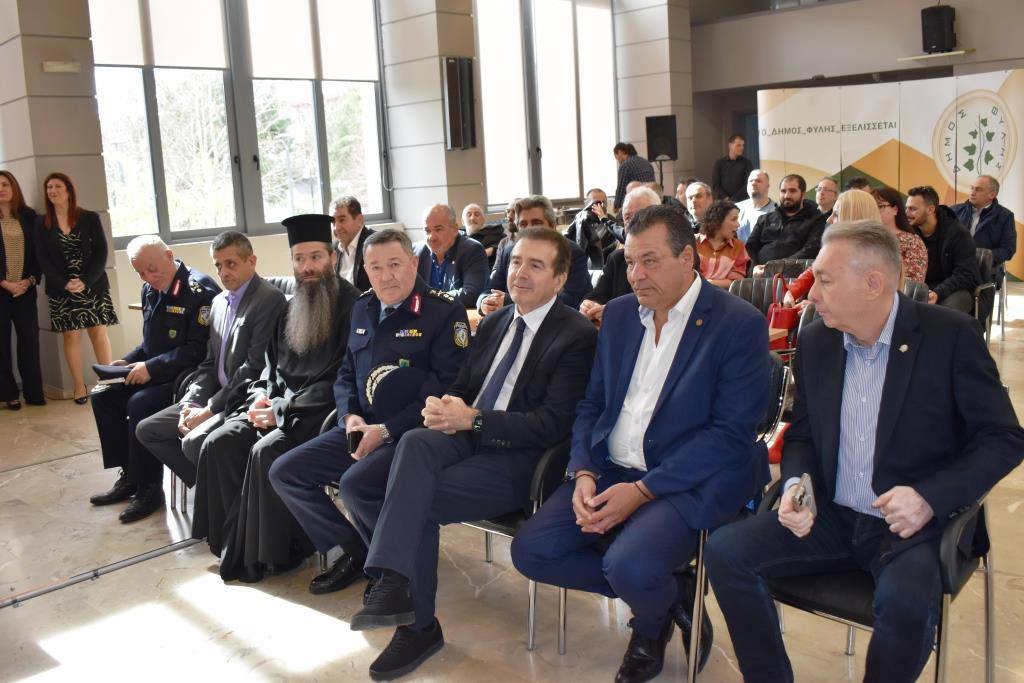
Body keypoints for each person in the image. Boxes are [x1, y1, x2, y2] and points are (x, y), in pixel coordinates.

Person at [704, 220, 1024, 683]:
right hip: (831, 513)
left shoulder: (950, 336)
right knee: (726, 551)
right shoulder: (817, 339)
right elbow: (803, 433)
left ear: (873, 284)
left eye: (825, 281)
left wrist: (928, 498)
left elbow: (1003, 438)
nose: (812, 294)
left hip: (911, 527)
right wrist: (795, 485)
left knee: (906, 603)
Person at [511, 204, 770, 683]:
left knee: (628, 564)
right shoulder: (620, 315)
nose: (635, 275)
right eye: (630, 262)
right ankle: (670, 596)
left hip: (686, 480)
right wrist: (583, 471)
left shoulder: (737, 323)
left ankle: (648, 626)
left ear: (688, 257)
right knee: (532, 552)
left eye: (650, 261)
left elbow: (730, 435)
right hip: (611, 466)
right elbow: (593, 404)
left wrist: (643, 491)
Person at [341, 227, 599, 680]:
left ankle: (417, 623)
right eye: (515, 261)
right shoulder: (496, 321)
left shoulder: (575, 334)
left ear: (560, 279)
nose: (520, 273)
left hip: (519, 458)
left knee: (414, 498)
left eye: (536, 265)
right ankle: (394, 579)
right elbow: (463, 385)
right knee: (379, 469)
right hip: (465, 435)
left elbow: (551, 425)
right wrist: (444, 406)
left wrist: (473, 420)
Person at [270, 228, 468, 596]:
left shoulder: (442, 312)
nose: (386, 276)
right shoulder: (363, 307)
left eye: (395, 264)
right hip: (361, 428)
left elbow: (444, 389)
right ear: (365, 270)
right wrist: (349, 416)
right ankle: (359, 551)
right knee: (286, 472)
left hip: (410, 434)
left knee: (355, 485)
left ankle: (395, 572)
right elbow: (346, 373)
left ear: (414, 263)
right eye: (375, 267)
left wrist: (386, 430)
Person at [190, 215, 360, 582]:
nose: (307, 267)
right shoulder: (289, 306)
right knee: (219, 442)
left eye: (315, 257)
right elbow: (268, 367)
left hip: (317, 413)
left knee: (265, 450)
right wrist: (260, 397)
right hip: (278, 406)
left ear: (332, 258)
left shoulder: (353, 307)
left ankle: (280, 552)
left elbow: (340, 379)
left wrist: (282, 410)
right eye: (299, 259)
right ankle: (236, 545)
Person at [135, 231, 286, 487]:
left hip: (243, 399)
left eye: (231, 264)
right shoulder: (218, 302)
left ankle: (221, 494)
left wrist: (209, 410)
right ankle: (214, 489)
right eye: (218, 265)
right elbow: (208, 363)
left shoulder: (268, 299)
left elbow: (253, 368)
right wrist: (190, 402)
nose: (223, 272)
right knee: (148, 430)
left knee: (194, 442)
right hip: (214, 394)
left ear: (252, 261)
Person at [89, 235, 219, 523]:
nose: (148, 277)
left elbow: (199, 350)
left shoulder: (199, 290)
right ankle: (130, 475)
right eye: (140, 272)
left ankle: (149, 488)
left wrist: (150, 367)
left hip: (187, 378)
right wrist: (127, 361)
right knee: (104, 396)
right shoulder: (151, 288)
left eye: (152, 269)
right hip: (156, 371)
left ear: (169, 255)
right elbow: (151, 343)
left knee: (140, 403)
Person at [33, 172, 117, 403]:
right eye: (49, 187)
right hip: (62, 289)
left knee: (98, 332)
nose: (52, 191)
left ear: (69, 191)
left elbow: (101, 251)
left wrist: (86, 281)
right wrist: (64, 283)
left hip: (92, 284)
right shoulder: (41, 223)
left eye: (57, 186)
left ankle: (108, 382)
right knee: (70, 336)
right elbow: (42, 258)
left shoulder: (89, 218)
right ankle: (79, 387)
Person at [478, 195, 593, 315]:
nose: (529, 229)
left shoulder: (571, 252)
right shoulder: (508, 252)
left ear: (552, 226)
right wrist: (485, 302)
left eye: (536, 223)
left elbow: (570, 300)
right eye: (523, 224)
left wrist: (508, 301)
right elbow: (489, 290)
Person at [784, 189, 880, 307]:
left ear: (853, 218)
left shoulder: (875, 260)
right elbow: (815, 270)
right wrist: (792, 291)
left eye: (836, 214)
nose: (828, 220)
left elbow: (858, 305)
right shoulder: (839, 248)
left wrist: (816, 307)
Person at [579, 187, 661, 326]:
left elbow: (664, 305)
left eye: (641, 215)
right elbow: (597, 296)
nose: (634, 223)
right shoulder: (617, 259)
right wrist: (588, 306)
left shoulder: (673, 257)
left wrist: (616, 311)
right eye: (628, 217)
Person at [0, 171, 44, 410]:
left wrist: (29, 281)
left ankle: (34, 393)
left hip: (25, 289)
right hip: (1, 289)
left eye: (5, 184)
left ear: (14, 187)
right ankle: (9, 394)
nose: (1, 189)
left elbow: (38, 253)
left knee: (29, 341)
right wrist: (4, 283)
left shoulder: (29, 216)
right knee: (2, 344)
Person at [904, 186, 978, 313]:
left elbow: (964, 275)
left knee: (942, 313)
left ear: (930, 209)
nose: (907, 213)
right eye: (906, 208)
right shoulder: (909, 233)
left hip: (955, 289)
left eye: (913, 209)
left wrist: (938, 292)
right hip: (922, 287)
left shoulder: (958, 234)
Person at [414, 204, 488, 307]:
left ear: (454, 229)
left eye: (438, 229)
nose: (431, 237)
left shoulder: (472, 249)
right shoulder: (416, 252)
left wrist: (431, 298)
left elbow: (471, 294)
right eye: (427, 231)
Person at [746, 174, 828, 267]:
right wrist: (755, 267)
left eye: (792, 191)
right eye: (783, 191)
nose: (787, 195)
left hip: (794, 272)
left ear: (803, 194)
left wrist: (778, 267)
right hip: (759, 272)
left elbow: (811, 250)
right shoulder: (764, 219)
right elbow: (749, 248)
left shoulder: (816, 220)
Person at [952, 175, 1017, 288]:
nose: (972, 193)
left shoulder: (1005, 216)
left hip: (984, 269)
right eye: (972, 188)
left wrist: (983, 256)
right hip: (954, 265)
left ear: (992, 194)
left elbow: (1008, 249)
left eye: (978, 189)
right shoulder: (954, 211)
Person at [871, 186, 927, 283]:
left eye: (880, 206)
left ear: (895, 209)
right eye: (872, 207)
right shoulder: (866, 239)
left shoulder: (912, 242)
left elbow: (913, 282)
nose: (875, 211)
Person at [697, 200, 750, 287]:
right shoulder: (693, 242)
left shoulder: (738, 246)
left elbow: (736, 282)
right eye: (734, 219)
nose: (738, 225)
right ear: (718, 221)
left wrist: (708, 284)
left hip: (723, 294)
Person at [566, 188, 618, 268]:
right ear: (586, 204)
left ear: (607, 204)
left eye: (603, 203)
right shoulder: (579, 221)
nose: (600, 206)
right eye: (596, 203)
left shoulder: (613, 223)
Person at [331, 196, 374, 291]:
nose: (336, 228)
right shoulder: (334, 248)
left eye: (342, 220)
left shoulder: (375, 245)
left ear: (359, 220)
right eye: (333, 222)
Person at [612, 142, 655, 211]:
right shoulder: (646, 162)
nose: (618, 161)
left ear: (620, 152)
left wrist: (616, 206)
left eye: (617, 158)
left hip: (637, 202)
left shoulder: (625, 166)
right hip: (651, 200)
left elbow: (621, 188)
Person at [461, 203, 505, 269]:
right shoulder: (458, 240)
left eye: (477, 215)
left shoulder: (496, 235)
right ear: (462, 221)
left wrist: (493, 250)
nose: (472, 218)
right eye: (469, 215)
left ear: (483, 220)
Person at [711, 134, 754, 201]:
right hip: (723, 202)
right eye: (738, 145)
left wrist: (734, 199)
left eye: (743, 145)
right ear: (730, 145)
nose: (742, 148)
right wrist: (726, 198)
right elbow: (716, 185)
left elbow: (748, 184)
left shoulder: (747, 163)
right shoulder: (719, 163)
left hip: (742, 201)